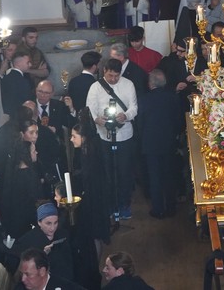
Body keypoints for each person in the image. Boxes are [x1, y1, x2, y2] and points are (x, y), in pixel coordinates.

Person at [86, 58, 138, 220]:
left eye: (117, 76)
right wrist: (97, 119)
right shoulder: (95, 87)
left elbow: (134, 107)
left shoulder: (128, 84)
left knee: (124, 172)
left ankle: (124, 204)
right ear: (104, 71)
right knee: (107, 172)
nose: (114, 79)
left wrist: (125, 115)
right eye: (110, 76)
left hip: (125, 135)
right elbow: (90, 109)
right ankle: (110, 205)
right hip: (104, 136)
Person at [69, 119, 111, 289]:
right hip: (94, 203)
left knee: (94, 236)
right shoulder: (89, 152)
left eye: (74, 136)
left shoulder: (90, 157)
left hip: (93, 205)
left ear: (83, 137)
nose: (71, 139)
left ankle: (94, 268)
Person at [139, 69, 183, 218]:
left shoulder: (144, 99)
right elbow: (178, 120)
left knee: (154, 177)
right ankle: (171, 207)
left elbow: (140, 123)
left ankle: (157, 209)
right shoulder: (173, 97)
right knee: (169, 175)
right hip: (169, 142)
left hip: (150, 144)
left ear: (150, 83)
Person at [8, 203, 74, 281]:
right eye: (48, 223)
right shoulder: (28, 240)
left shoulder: (62, 234)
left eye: (55, 223)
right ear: (39, 222)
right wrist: (42, 255)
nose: (52, 228)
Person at [1, 125, 43, 237]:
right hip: (27, 223)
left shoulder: (15, 172)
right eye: (34, 151)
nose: (36, 153)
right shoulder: (28, 175)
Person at [14, 248, 84, 290]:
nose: (23, 279)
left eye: (28, 274)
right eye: (22, 274)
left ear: (42, 271)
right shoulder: (20, 288)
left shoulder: (67, 288)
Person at [1, 51, 34, 116]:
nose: (30, 65)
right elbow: (27, 102)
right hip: (20, 116)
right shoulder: (23, 81)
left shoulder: (5, 78)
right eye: (28, 62)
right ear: (19, 63)